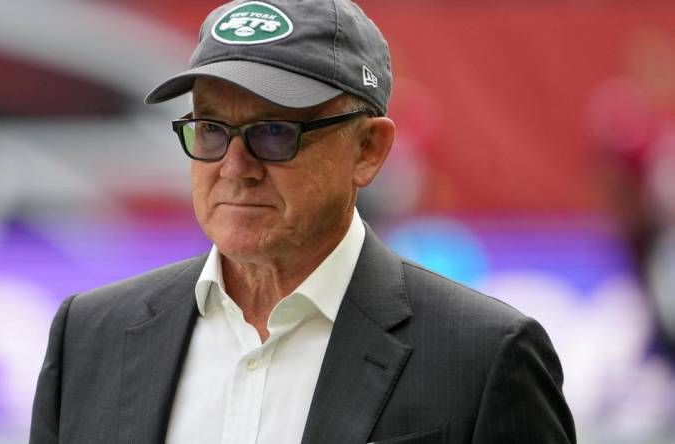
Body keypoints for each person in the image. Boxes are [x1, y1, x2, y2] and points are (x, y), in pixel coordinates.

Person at [29, 1, 576, 443]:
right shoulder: (90, 336)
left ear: (369, 148)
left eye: (273, 132)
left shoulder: (483, 356)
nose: (235, 167)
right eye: (211, 128)